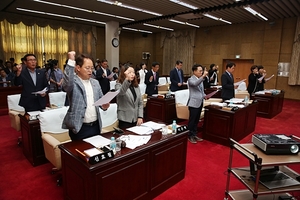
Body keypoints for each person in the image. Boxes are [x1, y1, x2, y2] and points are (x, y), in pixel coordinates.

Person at [62, 51, 110, 141]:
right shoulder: (73, 83)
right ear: (78, 68)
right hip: (80, 127)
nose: (90, 71)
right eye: (87, 68)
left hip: (95, 126)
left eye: (92, 68)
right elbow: (66, 83)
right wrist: (71, 60)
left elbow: (101, 100)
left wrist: (104, 106)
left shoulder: (95, 82)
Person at [115, 63, 143, 129]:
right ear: (124, 73)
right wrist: (127, 79)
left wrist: (140, 116)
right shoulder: (118, 85)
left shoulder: (136, 86)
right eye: (129, 72)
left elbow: (140, 102)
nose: (132, 74)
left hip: (135, 118)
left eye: (133, 72)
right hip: (125, 119)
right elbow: (122, 92)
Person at [187, 64, 208, 144]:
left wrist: (205, 95)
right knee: (192, 121)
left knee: (196, 120)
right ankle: (189, 135)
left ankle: (194, 134)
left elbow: (201, 91)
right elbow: (195, 84)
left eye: (202, 71)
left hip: (200, 102)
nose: (201, 72)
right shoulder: (190, 79)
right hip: (193, 103)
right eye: (200, 71)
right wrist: (203, 77)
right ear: (194, 71)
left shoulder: (200, 79)